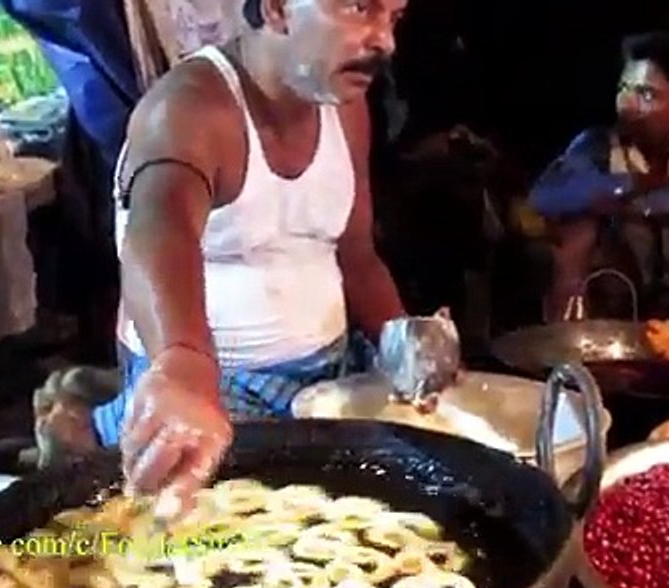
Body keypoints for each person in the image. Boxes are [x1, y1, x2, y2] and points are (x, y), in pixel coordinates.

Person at [41, 0, 411, 514]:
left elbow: (358, 254)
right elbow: (159, 232)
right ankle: (94, 423)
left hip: (330, 378)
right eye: (359, 9)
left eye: (394, 17)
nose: (384, 41)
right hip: (212, 389)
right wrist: (182, 366)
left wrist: (403, 343)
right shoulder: (189, 110)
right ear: (278, 8)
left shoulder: (347, 107)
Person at [528, 31, 669, 324]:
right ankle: (569, 333)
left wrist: (642, 202)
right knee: (577, 224)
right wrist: (630, 185)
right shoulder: (598, 143)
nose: (628, 104)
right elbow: (547, 195)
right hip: (624, 268)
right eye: (624, 88)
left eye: (647, 95)